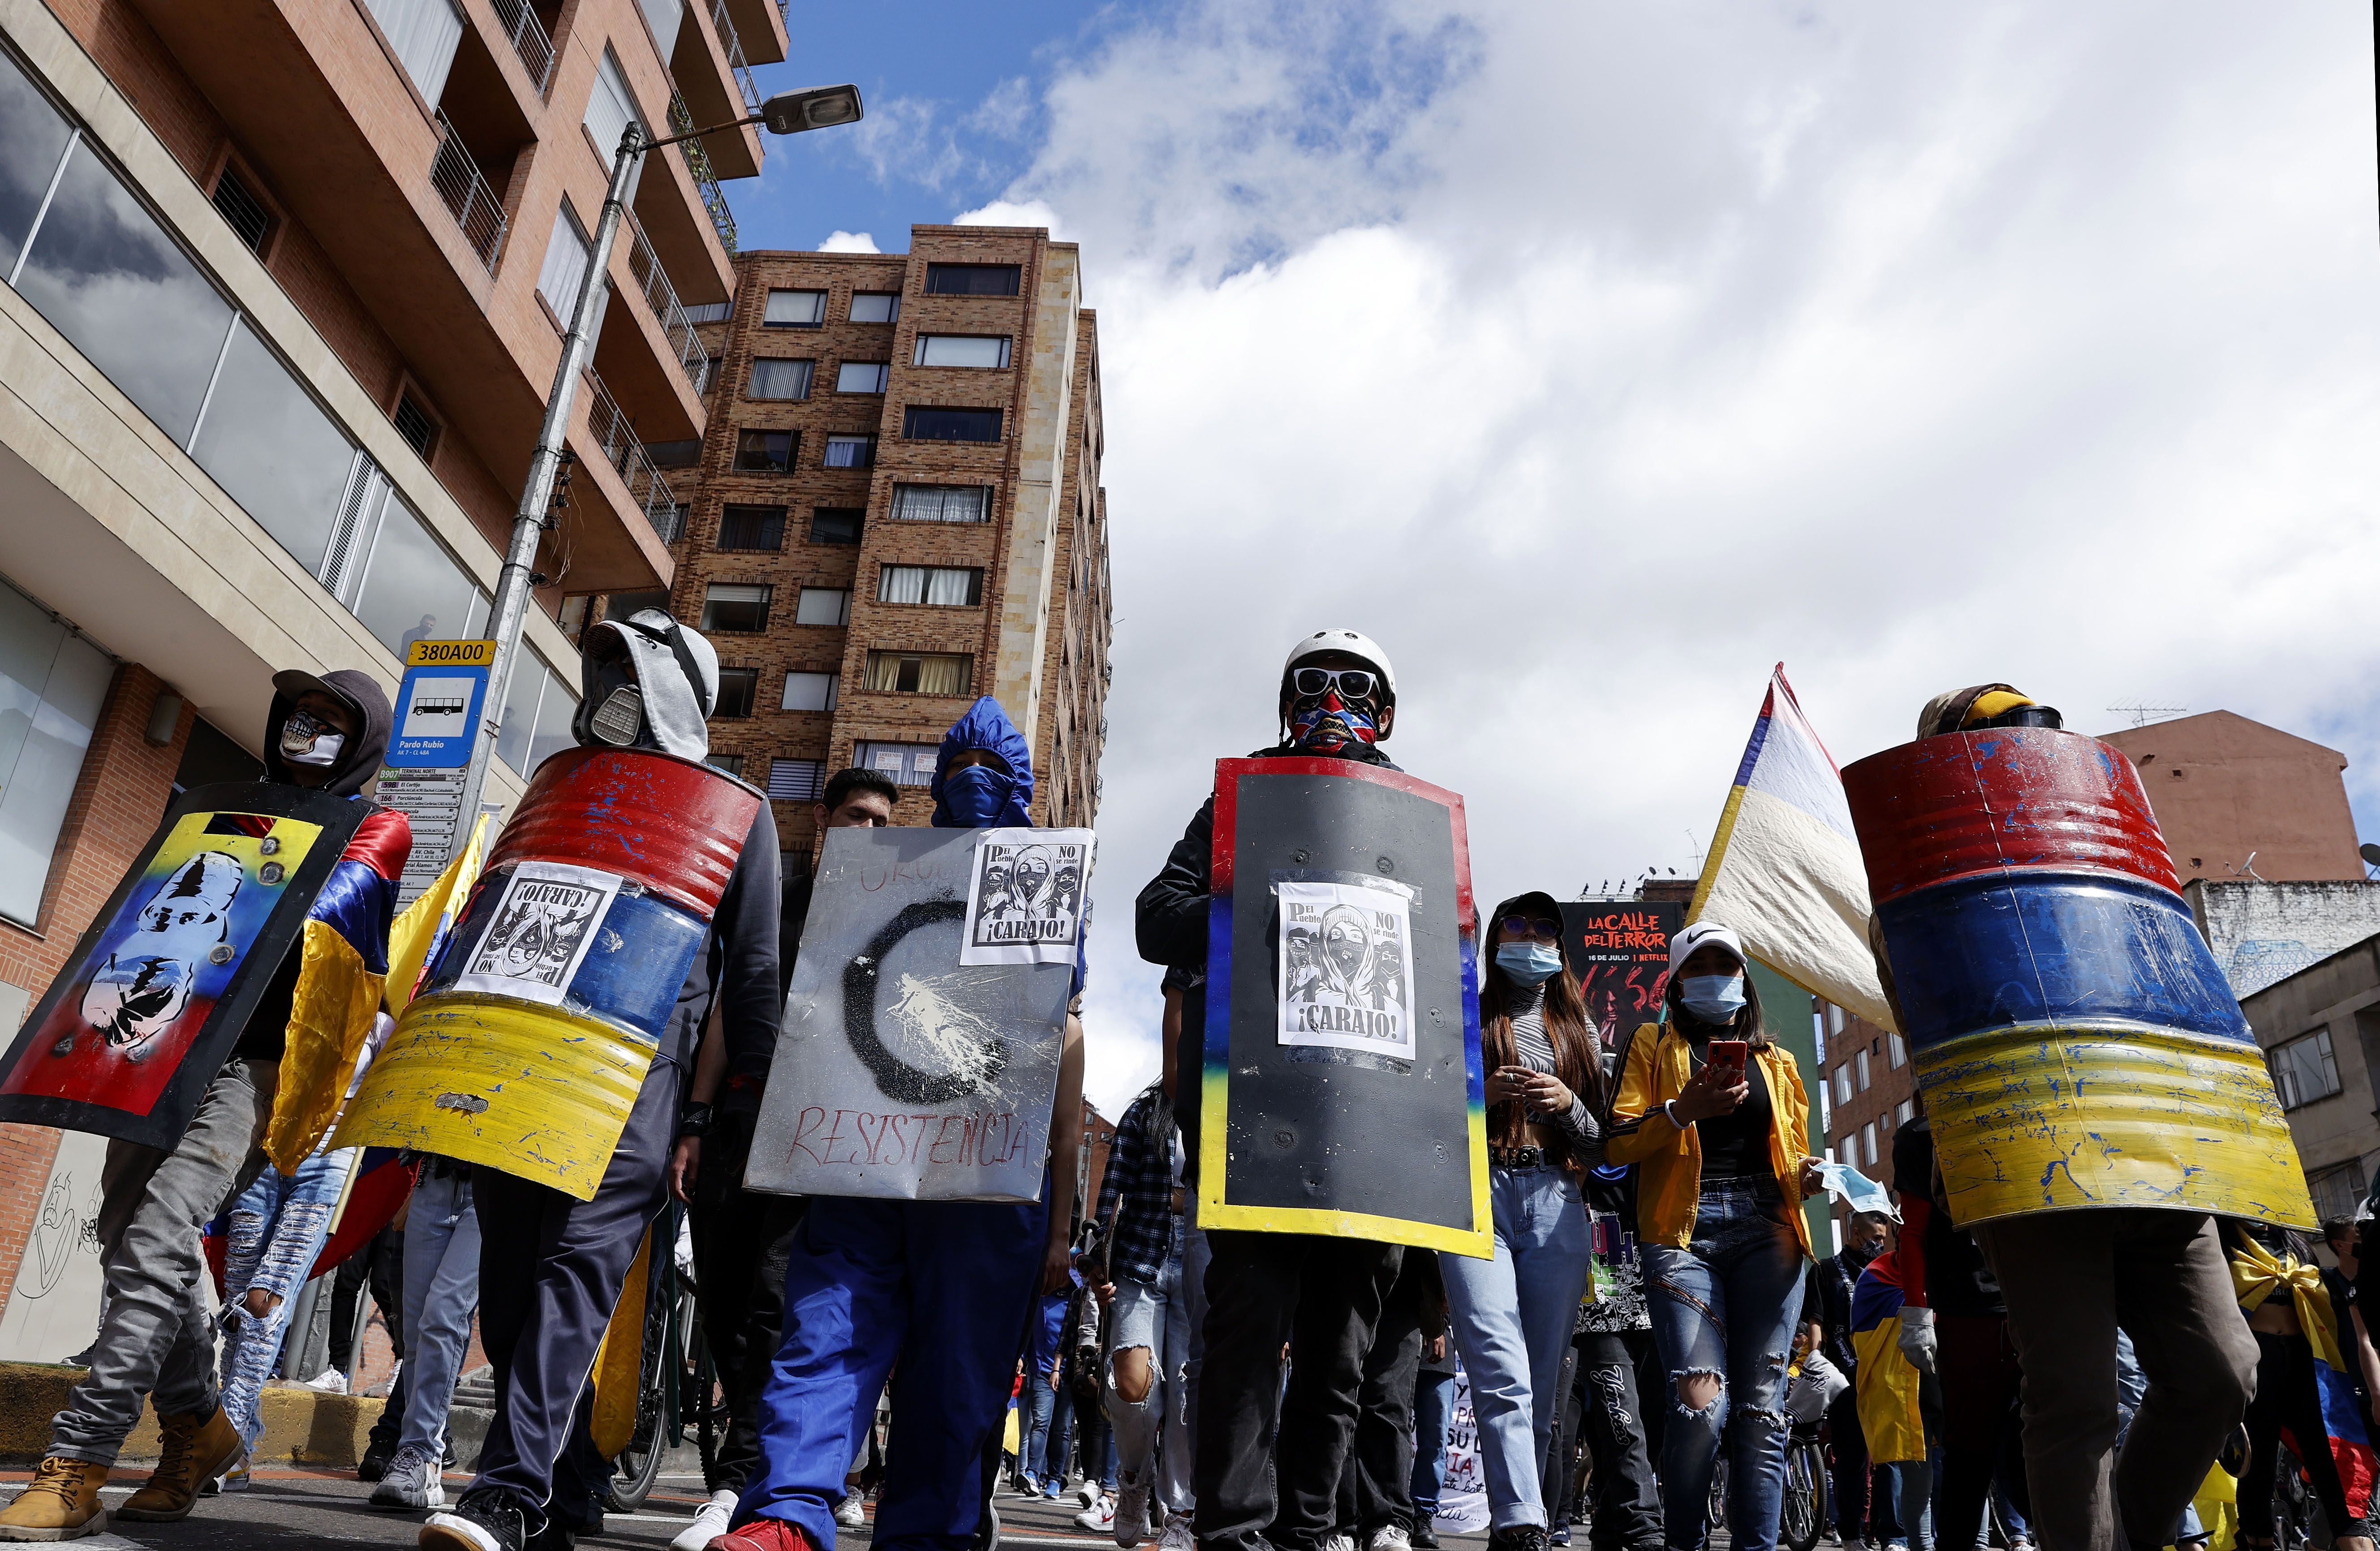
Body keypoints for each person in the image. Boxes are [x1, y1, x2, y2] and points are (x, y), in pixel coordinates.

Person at [0, 669, 407, 1542]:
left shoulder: (377, 827)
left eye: (331, 722)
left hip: (256, 1071)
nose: (307, 730)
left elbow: (324, 920)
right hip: (161, 1053)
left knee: (154, 1236)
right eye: (299, 715)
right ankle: (199, 1430)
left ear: (364, 739)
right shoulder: (224, 811)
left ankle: (79, 1462)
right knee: (133, 1240)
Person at [422, 610, 780, 1551]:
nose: (612, 692)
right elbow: (491, 927)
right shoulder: (562, 791)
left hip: (636, 1078)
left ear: (675, 693)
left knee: (571, 1275)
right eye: (603, 670)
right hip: (516, 1075)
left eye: (633, 673)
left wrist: (750, 1123)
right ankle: (567, 1478)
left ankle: (506, 1492)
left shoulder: (737, 811)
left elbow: (751, 976)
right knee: (507, 1300)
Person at [717, 696, 1087, 1551]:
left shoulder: (1038, 885)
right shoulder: (887, 874)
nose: (974, 786)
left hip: (984, 1175)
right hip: (866, 1153)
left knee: (957, 1375)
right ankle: (788, 1512)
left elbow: (1060, 1048)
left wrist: (1061, 1224)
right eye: (957, 770)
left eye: (992, 773)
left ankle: (926, 1535)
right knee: (828, 1323)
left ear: (1023, 788)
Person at [1897, 685, 2261, 1551]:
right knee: (2075, 1395)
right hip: (2028, 1157)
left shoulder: (2110, 857)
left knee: (2219, 1369)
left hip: (2152, 1147)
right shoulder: (1921, 882)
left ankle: (2118, 1536)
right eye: (1993, 743)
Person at [1135, 628, 1414, 1551]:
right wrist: (1253, 897)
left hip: (1369, 1127)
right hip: (1256, 1118)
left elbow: (1443, 972)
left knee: (1340, 1353)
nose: (1331, 702)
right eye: (1311, 685)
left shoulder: (1412, 817)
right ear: (1286, 704)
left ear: (1381, 713)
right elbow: (1153, 916)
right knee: (1247, 1334)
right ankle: (1233, 1534)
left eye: (1353, 687)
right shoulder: (1236, 795)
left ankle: (1306, 1533)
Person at [667, 767, 897, 1551]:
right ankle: (764, 1467)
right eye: (855, 817)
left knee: (774, 1300)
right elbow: (733, 1005)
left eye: (880, 821)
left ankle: (741, 1484)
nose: (866, 832)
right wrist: (695, 1121)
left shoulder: (891, 916)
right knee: (726, 1301)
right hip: (738, 1115)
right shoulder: (777, 904)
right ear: (825, 822)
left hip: (822, 1134)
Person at [1603, 921, 1822, 1551]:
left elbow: (1796, 1160)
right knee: (1701, 1407)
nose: (1713, 977)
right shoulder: (1651, 1042)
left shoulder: (1777, 1063)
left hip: (1769, 1232)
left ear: (1743, 981)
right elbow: (1619, 1141)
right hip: (1681, 1235)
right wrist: (1684, 1109)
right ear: (1675, 983)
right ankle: (1685, 1542)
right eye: (1698, 967)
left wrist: (1809, 1173)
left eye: (1724, 965)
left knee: (1761, 1409)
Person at [1437, 892, 1605, 1551]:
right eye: (1516, 924)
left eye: (1544, 928)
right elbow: (1428, 1123)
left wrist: (1566, 1102)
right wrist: (1479, 1097)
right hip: (1477, 1194)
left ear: (1560, 947)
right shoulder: (1461, 1016)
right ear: (1495, 937)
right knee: (1498, 1363)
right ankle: (1520, 1521)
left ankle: (1522, 1517)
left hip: (1557, 1198)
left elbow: (1601, 1144)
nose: (1529, 936)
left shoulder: (1580, 1030)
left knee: (1540, 1376)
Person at [1888, 1094, 2022, 1551]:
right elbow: (1913, 1231)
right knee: (1970, 1455)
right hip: (1971, 1311)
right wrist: (1917, 1312)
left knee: (2056, 1440)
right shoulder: (1918, 1137)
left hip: (2034, 1300)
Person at [1094, 1072, 1204, 1551]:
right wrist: (1095, 1258)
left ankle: (1180, 1513)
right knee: (1134, 1383)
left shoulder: (1223, 1108)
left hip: (1201, 1254)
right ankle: (1134, 1480)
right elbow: (1112, 1190)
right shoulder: (1145, 1113)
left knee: (1184, 1392)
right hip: (1142, 1257)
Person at [2224, 1218, 2378, 1551]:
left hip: (2307, 1362)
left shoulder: (2295, 1244)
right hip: (2252, 1361)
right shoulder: (2220, 1241)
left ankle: (2354, 1536)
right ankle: (2259, 1541)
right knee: (2256, 1465)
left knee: (2334, 1458)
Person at [371, 1153, 482, 1512]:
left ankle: (423, 1454)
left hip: (496, 1182)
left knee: (444, 1314)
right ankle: (415, 1456)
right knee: (417, 1330)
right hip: (433, 1177)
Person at [1807, 1211, 1888, 1550]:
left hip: (1883, 1371)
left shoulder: (1887, 1271)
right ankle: (1851, 1531)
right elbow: (1816, 1318)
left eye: (1883, 1239)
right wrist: (1814, 1357)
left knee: (1888, 1457)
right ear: (1855, 1233)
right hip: (1844, 1374)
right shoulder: (1826, 1270)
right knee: (1851, 1458)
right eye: (1874, 1238)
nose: (1879, 1244)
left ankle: (1888, 1533)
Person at [1849, 1236, 1932, 1551]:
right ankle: (1911, 1543)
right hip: (1900, 1386)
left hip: (1942, 1379)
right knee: (1912, 1475)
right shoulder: (1875, 1275)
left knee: (1958, 1470)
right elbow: (1861, 1336)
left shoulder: (1954, 1272)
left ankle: (1978, 1542)